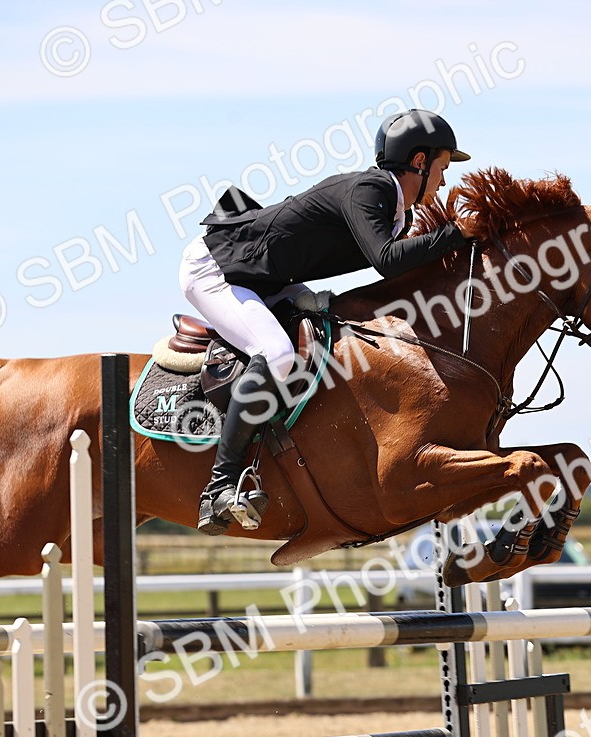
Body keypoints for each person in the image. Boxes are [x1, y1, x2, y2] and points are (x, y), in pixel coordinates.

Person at [179, 109, 475, 535]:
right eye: (442, 168)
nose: (444, 181)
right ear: (418, 162)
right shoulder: (372, 190)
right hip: (216, 269)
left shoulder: (397, 211)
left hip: (269, 278)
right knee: (277, 354)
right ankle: (219, 488)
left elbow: (407, 270)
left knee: (329, 318)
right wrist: (458, 233)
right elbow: (388, 262)